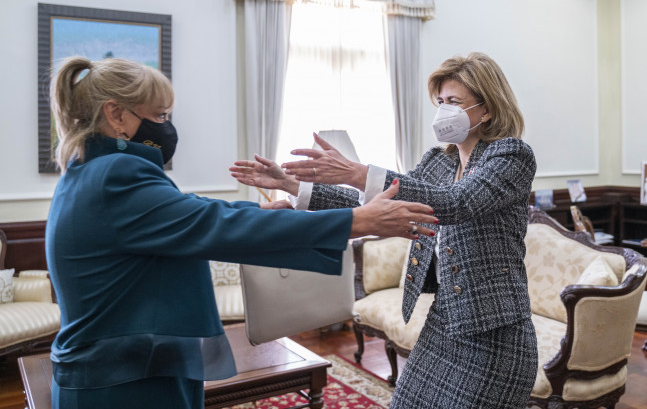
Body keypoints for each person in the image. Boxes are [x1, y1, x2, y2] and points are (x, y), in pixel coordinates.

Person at [45, 56, 435, 409]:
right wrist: (358, 221)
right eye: (160, 116)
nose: (166, 127)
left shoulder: (89, 170)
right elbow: (213, 224)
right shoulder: (118, 174)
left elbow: (190, 212)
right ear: (115, 114)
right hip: (124, 378)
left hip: (121, 367)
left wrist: (260, 209)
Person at [231, 52, 538, 408]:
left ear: (486, 110)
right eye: (440, 102)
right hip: (447, 319)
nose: (443, 110)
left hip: (496, 328)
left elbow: (456, 203)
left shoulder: (511, 156)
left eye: (454, 102)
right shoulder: (439, 161)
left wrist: (358, 172)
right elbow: (380, 202)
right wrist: (294, 186)